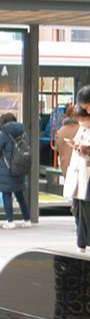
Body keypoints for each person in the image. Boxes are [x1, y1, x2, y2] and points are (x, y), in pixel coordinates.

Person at [0, 111, 31, 229]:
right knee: (20, 196)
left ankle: (10, 221)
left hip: (6, 169)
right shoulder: (23, 133)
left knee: (6, 195)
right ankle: (27, 219)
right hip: (19, 168)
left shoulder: (4, 135)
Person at [63, 104, 90, 252]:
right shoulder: (81, 130)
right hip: (78, 175)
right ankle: (81, 244)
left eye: (83, 119)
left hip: (86, 177)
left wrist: (85, 152)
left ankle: (82, 244)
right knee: (79, 213)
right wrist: (77, 147)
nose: (81, 123)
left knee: (85, 213)